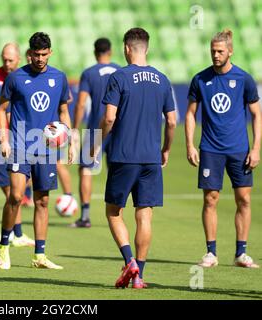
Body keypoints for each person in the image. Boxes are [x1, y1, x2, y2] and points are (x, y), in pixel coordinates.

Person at [93, 28, 176, 288]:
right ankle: (139, 274)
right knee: (145, 215)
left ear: (127, 48)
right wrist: (165, 149)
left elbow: (109, 117)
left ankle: (129, 260)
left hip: (123, 155)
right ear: (146, 48)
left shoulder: (119, 76)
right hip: (151, 158)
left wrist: (95, 143)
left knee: (113, 211)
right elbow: (172, 121)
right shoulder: (162, 79)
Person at [0, 32, 74, 269]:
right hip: (20, 145)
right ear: (29, 54)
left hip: (47, 149)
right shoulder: (16, 78)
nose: (40, 59)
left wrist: (71, 140)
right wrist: (4, 139)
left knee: (42, 202)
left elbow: (63, 112)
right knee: (16, 196)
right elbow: (1, 109)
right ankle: (4, 247)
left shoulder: (59, 78)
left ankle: (39, 256)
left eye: (44, 54)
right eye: (36, 54)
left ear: (50, 52)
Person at [185, 29, 261, 269]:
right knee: (211, 199)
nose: (215, 55)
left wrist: (256, 148)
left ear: (230, 51)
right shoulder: (200, 79)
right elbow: (190, 114)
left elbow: (257, 115)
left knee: (244, 200)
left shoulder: (244, 79)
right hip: (210, 149)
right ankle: (211, 252)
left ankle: (241, 253)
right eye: (212, 51)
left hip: (239, 150)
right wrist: (189, 144)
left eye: (219, 51)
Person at [70, 38, 121, 228]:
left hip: (95, 129)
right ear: (111, 51)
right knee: (116, 170)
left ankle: (85, 216)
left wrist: (75, 128)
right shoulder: (120, 71)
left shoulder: (89, 73)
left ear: (95, 52)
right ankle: (117, 214)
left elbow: (81, 103)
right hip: (117, 129)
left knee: (86, 169)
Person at [0, 43, 35, 246]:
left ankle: (16, 233)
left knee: (12, 189)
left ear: (19, 58)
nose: (6, 64)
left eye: (10, 60)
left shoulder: (27, 77)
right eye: (4, 59)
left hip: (20, 140)